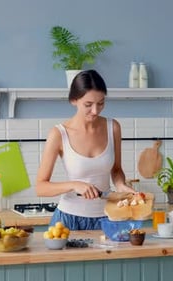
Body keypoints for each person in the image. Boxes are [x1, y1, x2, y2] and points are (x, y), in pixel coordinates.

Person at [36, 69, 136, 230]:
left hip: (108, 218)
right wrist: (74, 185)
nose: (95, 111)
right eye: (88, 105)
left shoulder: (113, 127)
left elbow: (116, 170)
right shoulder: (59, 134)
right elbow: (41, 187)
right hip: (68, 220)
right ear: (74, 100)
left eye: (101, 103)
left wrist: (120, 185)